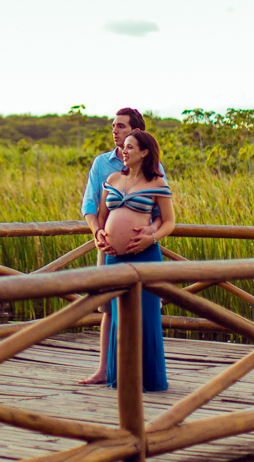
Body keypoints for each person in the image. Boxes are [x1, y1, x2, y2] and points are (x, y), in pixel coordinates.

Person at [95, 129, 173, 392]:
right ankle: (121, 379)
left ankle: (148, 379)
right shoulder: (113, 179)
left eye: (130, 147)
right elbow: (102, 217)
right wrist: (100, 236)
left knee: (146, 317)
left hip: (145, 257)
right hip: (114, 258)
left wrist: (151, 238)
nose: (124, 151)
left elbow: (169, 222)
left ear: (144, 152)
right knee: (119, 317)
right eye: (124, 146)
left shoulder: (157, 183)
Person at [78, 108, 149, 385]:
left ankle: (139, 370)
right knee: (108, 309)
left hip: (141, 250)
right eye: (113, 126)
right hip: (107, 249)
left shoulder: (151, 164)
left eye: (121, 126)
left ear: (136, 131)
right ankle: (104, 369)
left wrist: (150, 234)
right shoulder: (102, 163)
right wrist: (97, 233)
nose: (114, 131)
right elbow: (89, 204)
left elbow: (160, 207)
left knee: (142, 307)